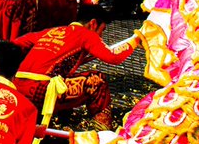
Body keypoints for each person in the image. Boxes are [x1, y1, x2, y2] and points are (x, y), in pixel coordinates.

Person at [10, 20, 139, 131]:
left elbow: (14, 44)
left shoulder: (53, 31)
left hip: (16, 89)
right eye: (102, 31)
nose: (101, 36)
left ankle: (61, 118)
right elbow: (113, 56)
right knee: (97, 80)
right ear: (93, 23)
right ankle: (102, 130)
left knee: (67, 77)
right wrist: (136, 40)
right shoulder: (85, 34)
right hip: (41, 91)